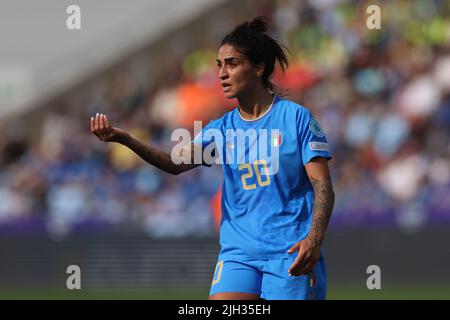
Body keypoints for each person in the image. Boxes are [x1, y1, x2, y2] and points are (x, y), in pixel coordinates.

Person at [90, 17, 335, 300]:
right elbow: (174, 163)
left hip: (289, 252)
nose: (221, 74)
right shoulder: (221, 129)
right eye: (219, 65)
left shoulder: (296, 119)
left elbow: (323, 186)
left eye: (231, 64)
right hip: (238, 254)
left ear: (258, 67)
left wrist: (314, 239)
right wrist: (125, 138)